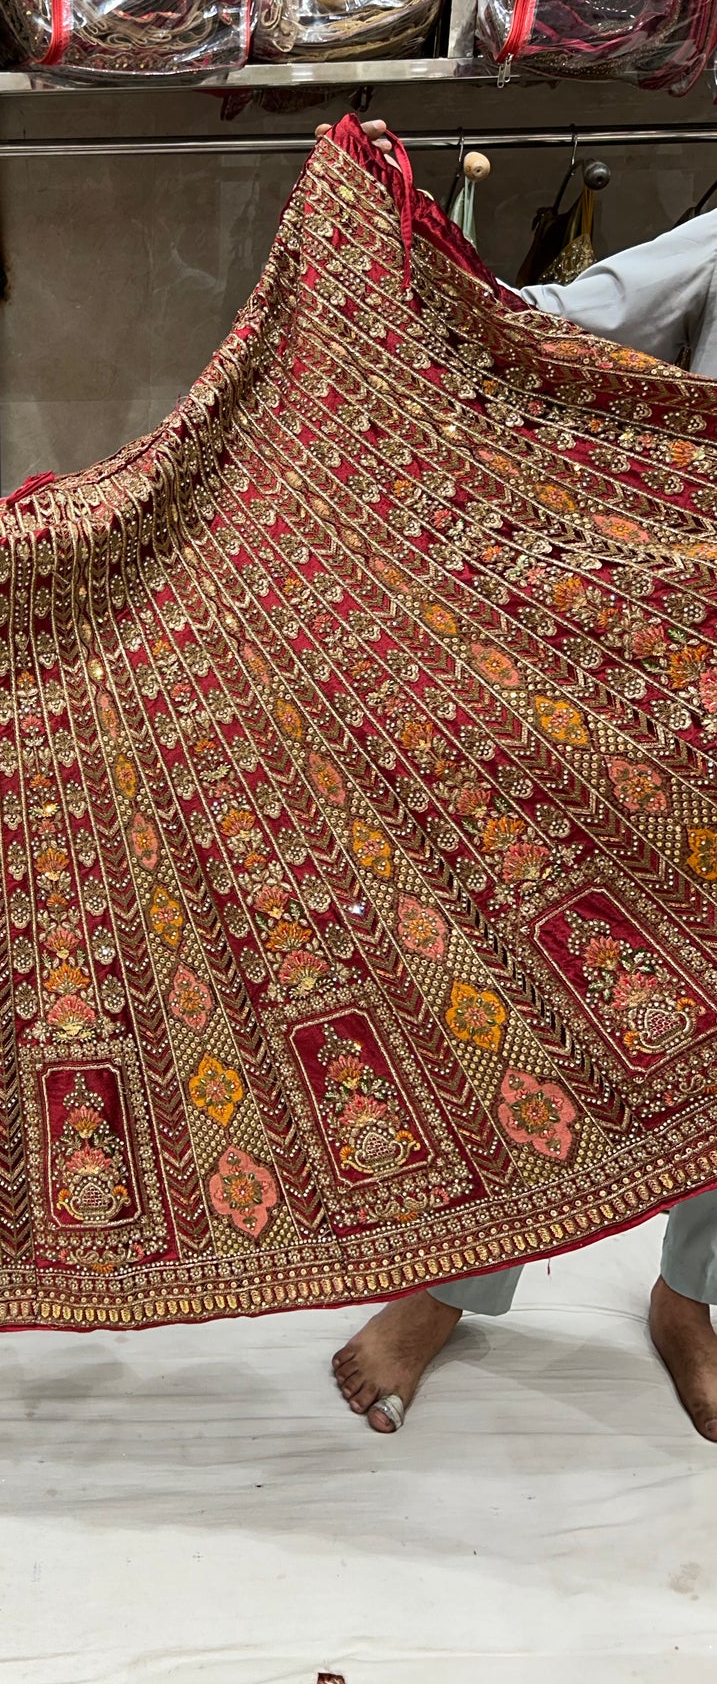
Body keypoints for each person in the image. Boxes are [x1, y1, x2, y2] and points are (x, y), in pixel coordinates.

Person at [330, 168, 717, 1442]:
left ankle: (691, 1293)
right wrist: (400, 247)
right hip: (670, 699)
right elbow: (551, 319)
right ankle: (453, 1287)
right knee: (550, 987)